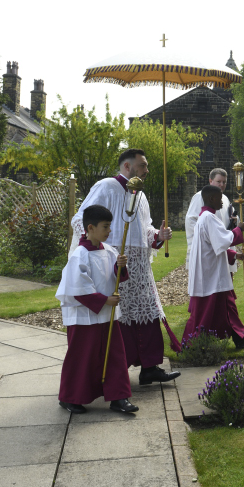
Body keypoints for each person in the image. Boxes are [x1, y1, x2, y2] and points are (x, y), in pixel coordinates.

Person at [70, 149, 180, 386]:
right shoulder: (106, 187)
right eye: (143, 165)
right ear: (127, 167)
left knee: (147, 315)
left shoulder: (140, 196)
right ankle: (114, 371)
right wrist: (95, 250)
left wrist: (158, 235)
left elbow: (146, 229)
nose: (147, 170)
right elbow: (80, 220)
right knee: (118, 319)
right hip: (113, 264)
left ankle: (150, 367)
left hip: (139, 268)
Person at [56, 205, 138, 414]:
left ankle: (119, 396)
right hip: (84, 316)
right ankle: (71, 397)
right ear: (90, 228)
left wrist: (119, 267)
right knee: (82, 356)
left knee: (115, 355)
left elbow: (116, 278)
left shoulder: (110, 251)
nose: (109, 231)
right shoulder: (79, 256)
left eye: (110, 226)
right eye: (105, 226)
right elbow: (78, 288)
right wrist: (104, 301)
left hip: (107, 315)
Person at [183, 185, 244, 349]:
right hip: (210, 274)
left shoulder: (204, 218)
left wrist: (233, 255)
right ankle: (192, 343)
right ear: (211, 199)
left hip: (212, 269)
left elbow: (212, 246)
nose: (222, 203)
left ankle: (239, 336)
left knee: (227, 304)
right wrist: (239, 229)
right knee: (206, 311)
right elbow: (223, 240)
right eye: (219, 198)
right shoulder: (209, 218)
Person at [185, 168, 237, 278]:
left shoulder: (225, 199)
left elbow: (230, 221)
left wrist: (235, 220)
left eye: (224, 182)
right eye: (219, 181)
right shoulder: (200, 197)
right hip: (208, 250)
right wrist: (206, 241)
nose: (222, 185)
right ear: (210, 181)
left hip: (223, 247)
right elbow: (191, 221)